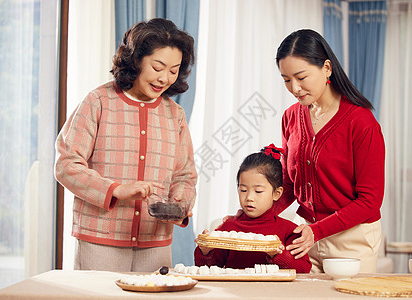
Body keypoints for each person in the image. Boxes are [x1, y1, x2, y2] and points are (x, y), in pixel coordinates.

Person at [54, 18, 197, 272]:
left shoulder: (175, 114)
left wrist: (179, 203)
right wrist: (116, 189)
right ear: (136, 59)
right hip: (101, 241)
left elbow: (185, 175)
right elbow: (66, 165)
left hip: (155, 243)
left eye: (173, 71)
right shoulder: (98, 101)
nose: (164, 78)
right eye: (157, 67)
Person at [273, 29, 385, 273]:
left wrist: (318, 231)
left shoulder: (361, 123)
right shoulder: (291, 117)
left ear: (326, 68)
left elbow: (370, 200)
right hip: (304, 236)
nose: (294, 88)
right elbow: (290, 185)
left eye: (301, 77)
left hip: (352, 241)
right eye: (286, 79)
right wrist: (254, 215)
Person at [194, 145, 312, 273]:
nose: (249, 197)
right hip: (235, 291)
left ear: (277, 193)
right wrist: (205, 251)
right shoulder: (228, 228)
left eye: (258, 191)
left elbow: (303, 269)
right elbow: (208, 269)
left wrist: (276, 254)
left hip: (273, 293)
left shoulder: (290, 231)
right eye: (243, 190)